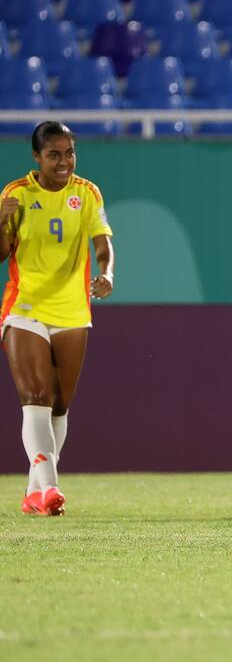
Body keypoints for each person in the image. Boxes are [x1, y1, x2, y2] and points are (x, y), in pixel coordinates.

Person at [1, 121, 114, 516]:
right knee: (36, 397)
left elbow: (103, 243)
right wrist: (1, 221)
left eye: (69, 153)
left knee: (60, 406)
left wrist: (108, 273)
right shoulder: (16, 194)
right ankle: (49, 488)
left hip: (72, 310)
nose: (63, 161)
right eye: (54, 154)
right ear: (37, 157)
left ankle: (35, 492)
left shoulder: (85, 193)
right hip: (25, 307)